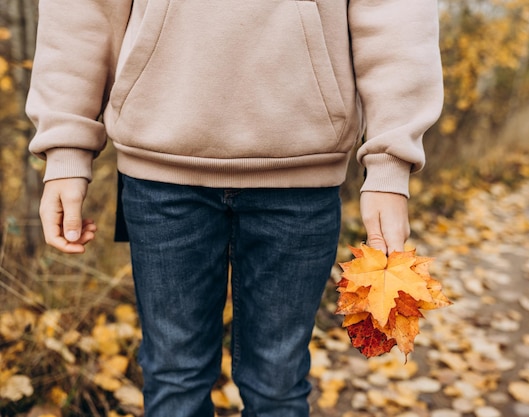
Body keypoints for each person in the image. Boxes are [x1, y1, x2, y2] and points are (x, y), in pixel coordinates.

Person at [26, 1, 443, 416]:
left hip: (303, 174)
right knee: (174, 378)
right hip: (160, 170)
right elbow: (83, 9)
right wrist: (66, 143)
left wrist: (390, 161)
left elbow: (394, 12)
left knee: (278, 384)